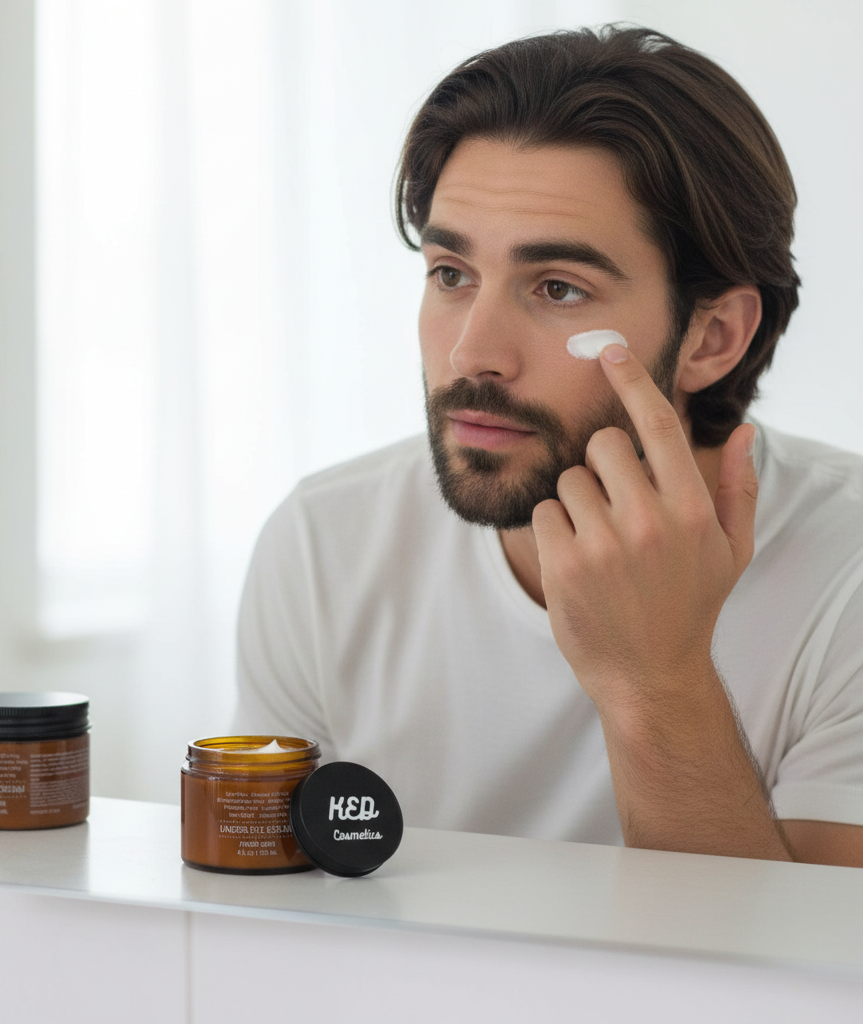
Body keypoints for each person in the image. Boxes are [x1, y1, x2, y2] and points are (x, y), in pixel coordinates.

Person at [233, 26, 863, 866]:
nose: (472, 352)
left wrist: (657, 679)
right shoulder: (324, 544)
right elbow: (266, 931)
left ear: (714, 336)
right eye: (451, 274)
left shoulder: (846, 571)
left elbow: (798, 989)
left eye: (558, 288)